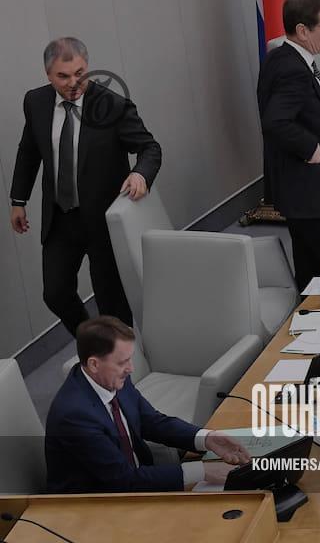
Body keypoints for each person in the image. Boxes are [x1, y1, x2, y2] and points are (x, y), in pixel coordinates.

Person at [9, 37, 162, 336]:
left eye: (79, 73)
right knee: (55, 293)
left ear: (87, 67)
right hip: (61, 217)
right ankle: (93, 341)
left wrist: (140, 174)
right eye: (63, 76)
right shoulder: (36, 102)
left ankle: (121, 356)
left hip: (103, 220)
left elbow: (150, 148)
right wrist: (18, 200)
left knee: (111, 302)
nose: (73, 83)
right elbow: (29, 151)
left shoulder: (112, 105)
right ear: (48, 74)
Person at [46, 316, 251, 493]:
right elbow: (122, 480)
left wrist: (206, 438)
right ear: (94, 364)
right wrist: (201, 471)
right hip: (93, 505)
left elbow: (151, 421)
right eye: (122, 362)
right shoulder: (74, 415)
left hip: (137, 484)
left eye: (130, 359)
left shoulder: (111, 378)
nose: (131, 369)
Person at [257, 0, 320, 291]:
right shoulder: (295, 71)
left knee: (312, 276)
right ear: (303, 31)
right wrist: (311, 148)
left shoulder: (280, 57)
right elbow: (276, 122)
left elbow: (301, 117)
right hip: (313, 196)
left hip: (296, 194)